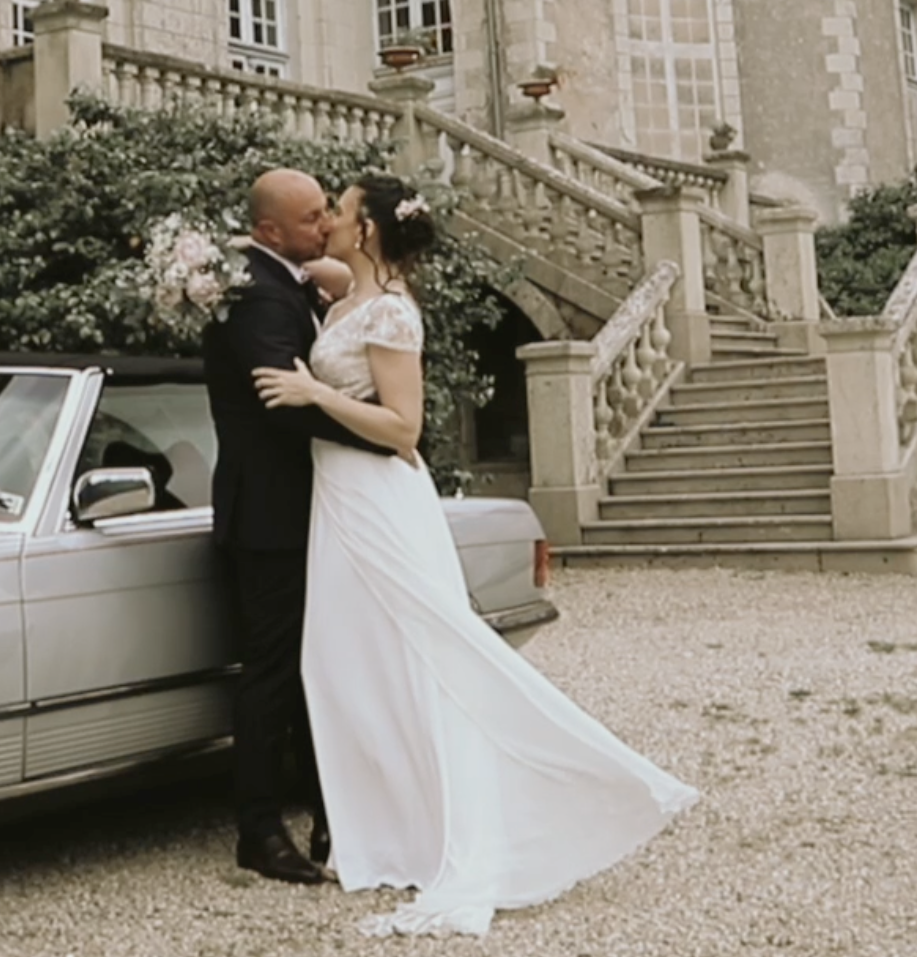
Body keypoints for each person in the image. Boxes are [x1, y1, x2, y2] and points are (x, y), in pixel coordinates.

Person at [255, 175, 701, 937]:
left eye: (343, 209)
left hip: (380, 497)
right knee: (348, 662)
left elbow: (403, 428)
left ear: (365, 231)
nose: (328, 217)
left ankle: (530, 796)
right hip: (341, 503)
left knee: (427, 654)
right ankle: (390, 825)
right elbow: (300, 269)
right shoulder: (348, 292)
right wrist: (234, 249)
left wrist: (315, 397)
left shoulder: (392, 312)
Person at [202, 168, 393, 885]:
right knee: (272, 675)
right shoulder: (257, 296)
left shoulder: (283, 278)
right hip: (271, 516)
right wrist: (391, 436)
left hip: (306, 507)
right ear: (269, 231)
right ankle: (258, 830)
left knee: (319, 665)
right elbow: (286, 404)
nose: (324, 226)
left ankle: (329, 808)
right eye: (311, 218)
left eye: (327, 213)